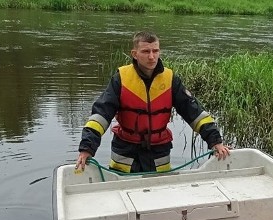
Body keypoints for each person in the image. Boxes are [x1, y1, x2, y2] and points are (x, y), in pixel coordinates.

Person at [75, 31, 230, 173]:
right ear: (134, 54)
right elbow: (100, 116)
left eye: (155, 51)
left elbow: (194, 113)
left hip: (159, 151)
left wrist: (215, 141)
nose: (151, 56)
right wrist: (87, 149)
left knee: (158, 195)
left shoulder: (170, 79)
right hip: (125, 151)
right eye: (146, 51)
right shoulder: (121, 78)